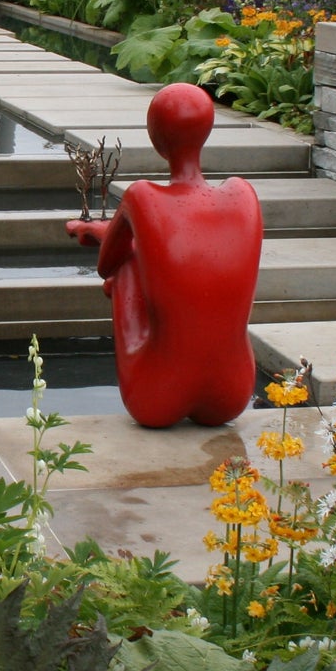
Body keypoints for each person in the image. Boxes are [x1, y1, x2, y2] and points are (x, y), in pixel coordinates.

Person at [67, 83, 261, 427]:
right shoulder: (243, 195)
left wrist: (103, 232)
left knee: (125, 265)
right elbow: (189, 249)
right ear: (206, 131)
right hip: (234, 393)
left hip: (155, 396)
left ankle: (160, 364)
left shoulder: (141, 197)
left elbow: (105, 265)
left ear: (156, 140)